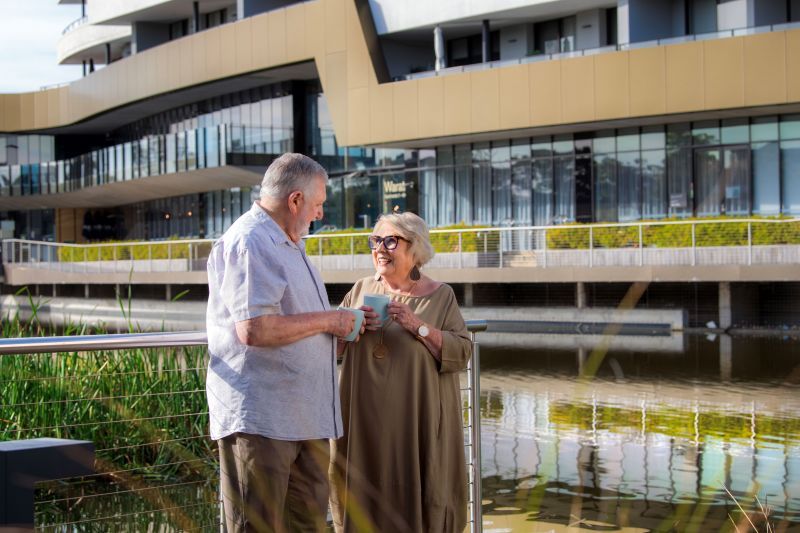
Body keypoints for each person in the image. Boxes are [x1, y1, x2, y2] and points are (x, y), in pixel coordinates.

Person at [206, 153, 362, 533]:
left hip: (302, 419)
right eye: (318, 204)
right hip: (264, 422)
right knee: (256, 526)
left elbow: (294, 326)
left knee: (308, 526)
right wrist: (330, 319)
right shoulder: (251, 241)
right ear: (294, 201)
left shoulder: (288, 241)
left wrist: (337, 336)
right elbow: (255, 329)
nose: (320, 215)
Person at [330, 212, 472, 533]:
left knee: (416, 498)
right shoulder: (361, 288)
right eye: (376, 241)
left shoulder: (440, 295)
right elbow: (333, 349)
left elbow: (461, 350)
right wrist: (349, 326)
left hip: (416, 423)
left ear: (415, 248)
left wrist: (416, 325)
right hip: (363, 425)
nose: (381, 248)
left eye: (391, 241)